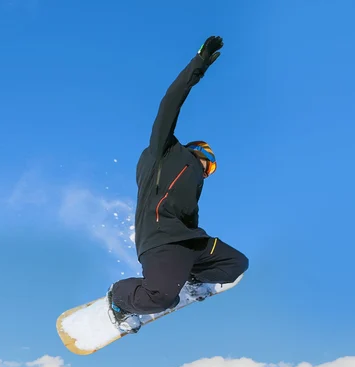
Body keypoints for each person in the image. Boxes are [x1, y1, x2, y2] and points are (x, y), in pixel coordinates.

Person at [107, 36, 249, 332]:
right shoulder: (165, 152)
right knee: (159, 298)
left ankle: (191, 280)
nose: (209, 173)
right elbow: (169, 103)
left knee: (236, 264)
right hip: (162, 242)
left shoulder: (192, 183)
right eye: (210, 165)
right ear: (202, 153)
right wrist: (198, 65)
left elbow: (188, 215)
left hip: (190, 242)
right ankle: (120, 298)